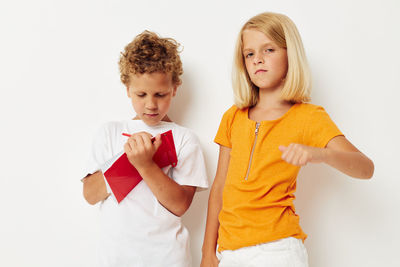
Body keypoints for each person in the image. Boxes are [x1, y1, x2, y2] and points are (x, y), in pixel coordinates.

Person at [200, 12, 374, 267]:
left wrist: (320, 154)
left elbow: (365, 167)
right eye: (249, 54)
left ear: (290, 53)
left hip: (278, 251)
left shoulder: (308, 116)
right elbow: (219, 188)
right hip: (230, 253)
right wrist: (207, 253)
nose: (257, 59)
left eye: (268, 49)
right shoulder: (233, 117)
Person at [81, 30, 208, 267]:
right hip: (116, 259)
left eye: (160, 94)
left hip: (168, 258)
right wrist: (129, 161)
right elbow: (90, 194)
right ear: (127, 88)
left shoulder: (184, 139)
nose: (151, 104)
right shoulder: (109, 132)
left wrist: (146, 165)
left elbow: (180, 205)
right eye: (141, 94)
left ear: (175, 89)